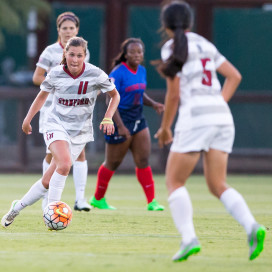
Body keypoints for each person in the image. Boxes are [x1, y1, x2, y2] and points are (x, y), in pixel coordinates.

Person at [154, 1, 266, 262]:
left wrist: (166, 127)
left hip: (195, 119)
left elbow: (172, 96)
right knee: (217, 184)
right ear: (190, 22)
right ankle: (251, 226)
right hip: (222, 118)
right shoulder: (205, 44)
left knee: (174, 182)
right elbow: (234, 76)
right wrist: (218, 103)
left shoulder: (171, 47)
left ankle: (189, 239)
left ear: (166, 25)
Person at [1, 37, 120, 228]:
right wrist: (27, 119)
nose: (74, 59)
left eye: (79, 55)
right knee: (64, 164)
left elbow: (115, 95)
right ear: (65, 54)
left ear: (84, 56)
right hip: (55, 124)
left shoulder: (95, 73)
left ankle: (17, 207)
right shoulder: (56, 73)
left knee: (47, 181)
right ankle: (52, 213)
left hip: (80, 132)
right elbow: (41, 97)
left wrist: (108, 117)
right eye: (71, 55)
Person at [89, 38, 165, 211]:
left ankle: (152, 202)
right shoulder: (118, 72)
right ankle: (98, 199)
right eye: (132, 52)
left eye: (139, 52)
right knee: (112, 163)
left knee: (144, 160)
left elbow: (140, 92)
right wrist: (120, 126)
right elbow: (109, 97)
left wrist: (153, 104)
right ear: (126, 54)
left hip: (138, 119)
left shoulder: (142, 70)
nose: (137, 55)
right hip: (119, 120)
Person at [32, 12, 92, 212]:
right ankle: (46, 196)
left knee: (80, 152)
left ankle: (80, 199)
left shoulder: (82, 50)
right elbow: (37, 77)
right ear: (58, 30)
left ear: (77, 30)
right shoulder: (50, 51)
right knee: (52, 155)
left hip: (75, 112)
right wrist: (56, 82)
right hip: (52, 112)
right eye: (64, 28)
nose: (68, 31)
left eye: (71, 28)